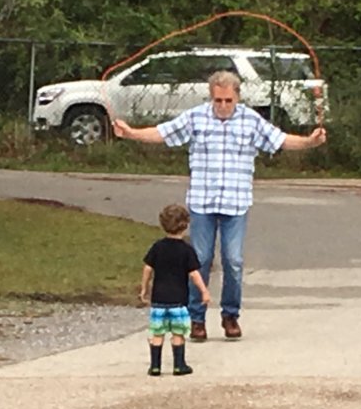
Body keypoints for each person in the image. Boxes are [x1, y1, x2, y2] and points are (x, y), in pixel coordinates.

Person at [115, 70, 327, 341]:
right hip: (202, 201)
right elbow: (164, 132)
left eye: (228, 100)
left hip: (236, 203)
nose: (223, 106)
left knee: (234, 260)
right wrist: (131, 133)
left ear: (237, 97)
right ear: (211, 97)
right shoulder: (197, 117)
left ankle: (230, 315)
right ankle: (196, 318)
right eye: (218, 100)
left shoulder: (250, 120)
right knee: (200, 259)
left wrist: (309, 141)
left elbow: (281, 140)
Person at [140, 204, 210, 376]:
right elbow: (194, 273)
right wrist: (204, 291)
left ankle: (155, 366)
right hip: (178, 301)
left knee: (157, 333)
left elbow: (147, 268)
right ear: (185, 225)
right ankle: (179, 365)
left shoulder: (158, 247)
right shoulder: (186, 250)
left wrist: (144, 288)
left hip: (158, 300)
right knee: (178, 333)